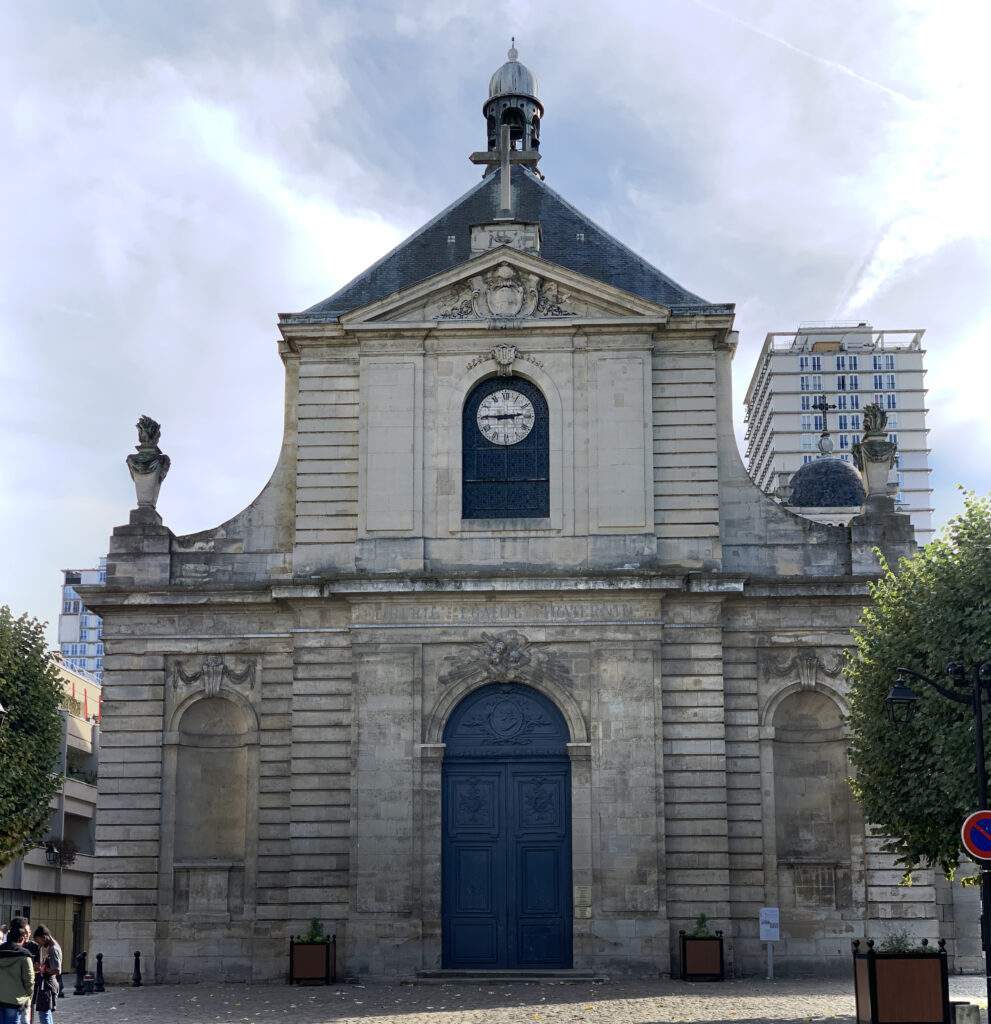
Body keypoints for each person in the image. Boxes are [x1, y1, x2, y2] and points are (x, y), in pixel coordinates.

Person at [0, 918, 34, 1024]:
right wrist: (27, 996)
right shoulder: (24, 955)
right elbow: (29, 980)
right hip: (15, 1001)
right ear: (22, 938)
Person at [29, 930, 60, 1024]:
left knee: (44, 1014)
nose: (39, 944)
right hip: (45, 985)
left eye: (38, 941)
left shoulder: (53, 949)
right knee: (46, 1013)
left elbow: (57, 970)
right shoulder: (49, 947)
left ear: (44, 937)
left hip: (48, 985)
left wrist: (42, 969)